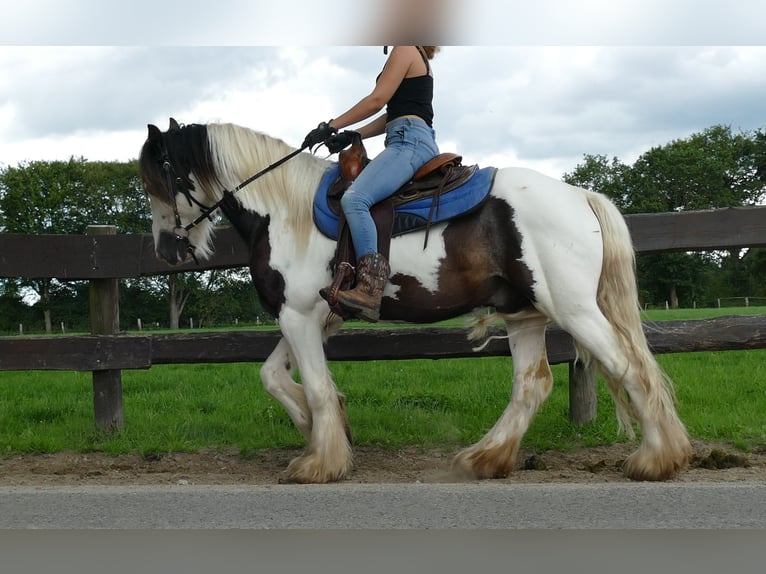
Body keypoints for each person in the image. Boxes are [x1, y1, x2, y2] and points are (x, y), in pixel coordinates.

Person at [302, 45, 441, 322]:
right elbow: (392, 113)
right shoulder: (415, 54)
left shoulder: (405, 48)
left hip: (407, 141)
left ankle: (369, 288)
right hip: (407, 135)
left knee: (354, 200)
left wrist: (331, 125)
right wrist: (353, 134)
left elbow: (377, 99)